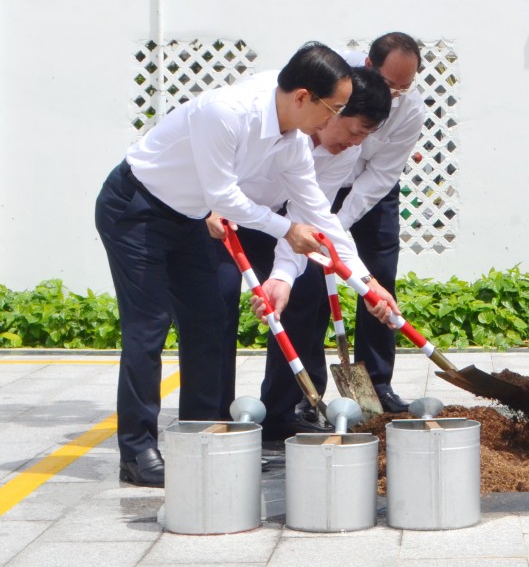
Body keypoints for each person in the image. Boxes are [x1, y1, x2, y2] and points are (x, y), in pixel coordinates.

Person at [95, 42, 395, 487]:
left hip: (189, 217)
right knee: (148, 328)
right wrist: (286, 230)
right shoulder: (226, 112)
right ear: (303, 97)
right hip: (136, 210)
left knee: (210, 322)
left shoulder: (293, 141)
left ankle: (204, 437)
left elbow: (318, 214)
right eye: (333, 110)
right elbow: (224, 196)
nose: (332, 121)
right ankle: (137, 452)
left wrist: (366, 283)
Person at [213, 65, 397, 439]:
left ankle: (279, 414)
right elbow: (218, 174)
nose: (356, 144)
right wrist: (212, 204)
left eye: (365, 137)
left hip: (278, 221)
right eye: (355, 131)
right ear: (334, 110)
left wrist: (365, 282)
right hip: (219, 218)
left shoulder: (341, 153)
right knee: (217, 300)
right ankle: (214, 419)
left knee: (307, 287)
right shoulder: (270, 124)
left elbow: (312, 218)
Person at [256, 33, 427, 434]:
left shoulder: (377, 131)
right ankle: (299, 398)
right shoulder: (320, 97)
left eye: (404, 88)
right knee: (306, 290)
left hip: (360, 193)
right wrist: (300, 256)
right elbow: (302, 210)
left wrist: (359, 274)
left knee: (376, 278)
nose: (396, 95)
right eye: (390, 84)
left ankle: (377, 386)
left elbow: (375, 178)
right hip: (283, 198)